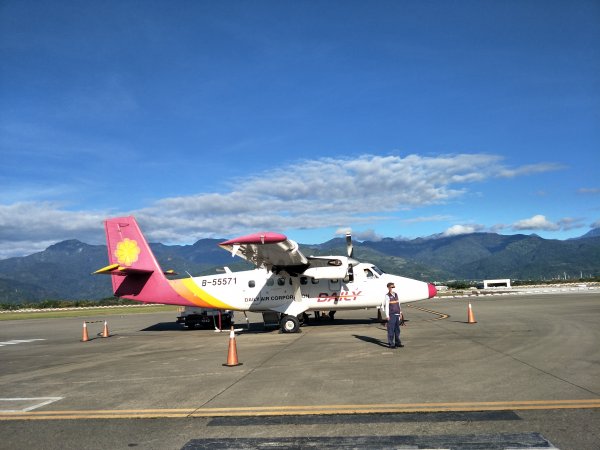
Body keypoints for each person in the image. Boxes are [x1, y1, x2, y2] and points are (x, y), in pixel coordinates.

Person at [383, 282, 404, 348]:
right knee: (391, 330)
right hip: (391, 314)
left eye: (393, 287)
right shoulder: (387, 295)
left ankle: (397, 342)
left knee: (397, 330)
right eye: (391, 287)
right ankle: (391, 344)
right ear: (388, 287)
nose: (393, 288)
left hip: (397, 314)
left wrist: (400, 313)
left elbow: (398, 304)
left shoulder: (396, 294)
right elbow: (386, 306)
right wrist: (387, 315)